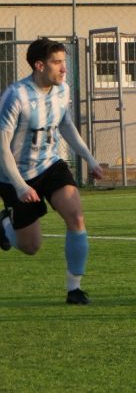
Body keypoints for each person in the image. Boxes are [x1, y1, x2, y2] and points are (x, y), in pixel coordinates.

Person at [0, 38, 104, 305]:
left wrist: (90, 159)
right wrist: (21, 186)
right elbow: (2, 149)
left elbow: (65, 125)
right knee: (31, 246)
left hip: (51, 165)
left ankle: (74, 289)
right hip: (16, 175)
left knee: (76, 217)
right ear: (39, 65)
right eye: (57, 63)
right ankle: (4, 225)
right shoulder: (15, 96)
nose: (63, 69)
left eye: (64, 62)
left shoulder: (62, 90)